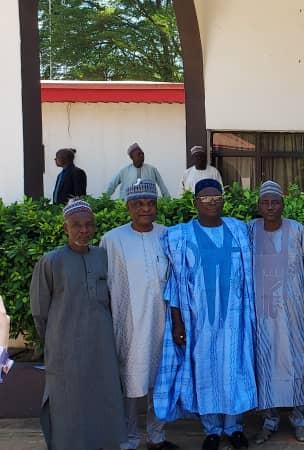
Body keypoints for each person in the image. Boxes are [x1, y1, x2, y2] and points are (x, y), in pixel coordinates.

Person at [153, 179, 256, 450]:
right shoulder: (181, 236)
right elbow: (175, 282)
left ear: (223, 200)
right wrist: (177, 322)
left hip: (234, 318)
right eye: (205, 199)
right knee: (205, 371)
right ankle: (211, 430)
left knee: (233, 368)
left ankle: (234, 428)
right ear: (195, 202)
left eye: (216, 198)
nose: (211, 203)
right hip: (198, 321)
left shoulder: (237, 230)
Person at [30, 199, 126, 449]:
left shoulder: (103, 257)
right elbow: (39, 311)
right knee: (67, 401)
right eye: (76, 225)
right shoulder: (51, 261)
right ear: (65, 228)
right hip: (64, 344)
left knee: (103, 396)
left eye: (88, 225)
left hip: (101, 343)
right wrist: (54, 338)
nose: (83, 230)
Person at [99, 180, 177, 450]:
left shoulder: (168, 235)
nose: (145, 208)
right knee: (131, 382)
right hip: (129, 325)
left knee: (162, 381)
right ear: (128, 207)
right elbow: (104, 285)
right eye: (138, 204)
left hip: (163, 323)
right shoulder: (112, 240)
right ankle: (129, 439)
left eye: (150, 203)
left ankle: (157, 437)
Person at [248, 181, 304, 444]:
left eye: (275, 202)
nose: (270, 207)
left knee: (295, 365)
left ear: (283, 204)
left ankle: (300, 420)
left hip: (291, 315)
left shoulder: (298, 231)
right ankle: (269, 420)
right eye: (265, 202)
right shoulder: (250, 231)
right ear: (259, 206)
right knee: (264, 366)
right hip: (261, 316)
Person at [105, 143, 171, 199]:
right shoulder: (124, 171)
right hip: (127, 207)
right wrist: (104, 199)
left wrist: (168, 201)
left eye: (142, 153)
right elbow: (112, 185)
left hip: (148, 207)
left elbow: (162, 187)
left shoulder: (152, 169)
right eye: (139, 154)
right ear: (132, 157)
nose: (142, 156)